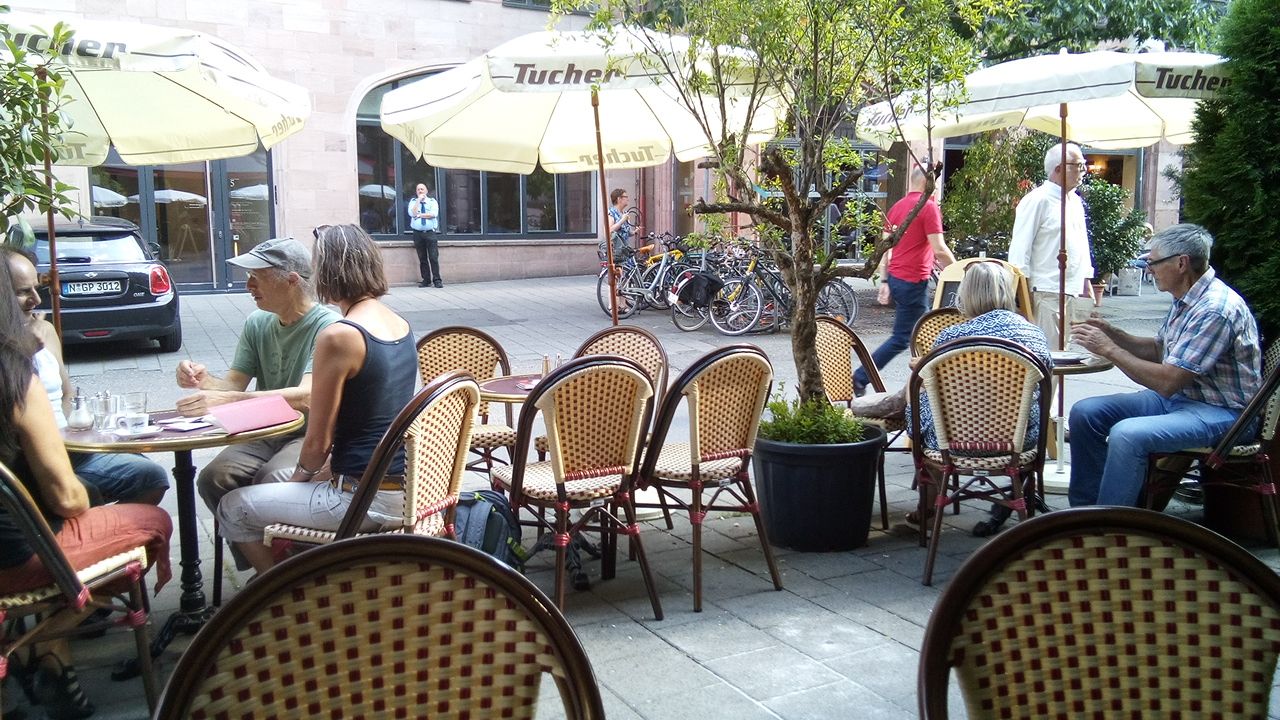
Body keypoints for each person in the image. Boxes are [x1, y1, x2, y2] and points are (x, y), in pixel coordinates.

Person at [0, 258, 171, 720]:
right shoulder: (14, 375)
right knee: (153, 522)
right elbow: (66, 498)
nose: (35, 299)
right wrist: (84, 497)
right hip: (15, 561)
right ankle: (43, 644)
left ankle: (45, 651)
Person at [216, 224, 416, 574]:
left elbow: (317, 444)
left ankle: (284, 592)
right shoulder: (400, 325)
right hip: (404, 485)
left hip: (359, 498)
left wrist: (299, 482)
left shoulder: (339, 335)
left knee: (233, 508)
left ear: (327, 271)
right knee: (271, 482)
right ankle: (312, 572)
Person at [849, 262, 1051, 534]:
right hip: (1019, 443)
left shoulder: (953, 336)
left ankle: (927, 509)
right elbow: (1044, 385)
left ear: (967, 294)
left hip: (954, 443)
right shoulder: (1033, 334)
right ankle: (1018, 498)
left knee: (922, 405)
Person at [1068, 223, 1261, 508]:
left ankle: (1112, 523)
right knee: (1086, 413)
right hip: (1182, 400)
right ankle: (1083, 512)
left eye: (1153, 262)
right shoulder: (1187, 297)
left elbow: (1167, 381)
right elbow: (1160, 350)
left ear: (1181, 263)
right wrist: (1113, 333)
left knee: (1128, 435)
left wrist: (1108, 349)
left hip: (1225, 413)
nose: (1149, 269)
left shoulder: (1215, 309)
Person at [175, 237, 338, 563]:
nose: (248, 285)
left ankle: (297, 562)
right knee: (212, 479)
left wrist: (231, 398)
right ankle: (263, 564)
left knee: (270, 479)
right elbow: (233, 383)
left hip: (309, 434)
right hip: (265, 431)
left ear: (292, 280)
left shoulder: (327, 326)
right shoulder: (257, 322)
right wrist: (203, 381)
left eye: (257, 277)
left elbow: (307, 396)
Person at [2, 247, 168, 506]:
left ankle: (108, 523)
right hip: (33, 456)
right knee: (147, 477)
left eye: (37, 288)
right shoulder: (9, 355)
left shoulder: (44, 330)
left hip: (71, 446)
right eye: (23, 291)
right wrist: (24, 352)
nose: (35, 299)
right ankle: (101, 525)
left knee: (148, 472)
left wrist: (83, 429)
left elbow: (67, 393)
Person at [853, 162, 957, 394]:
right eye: (935, 182)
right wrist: (961, 271)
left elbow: (886, 248)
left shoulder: (896, 208)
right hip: (913, 281)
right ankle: (862, 378)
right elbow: (939, 249)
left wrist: (884, 281)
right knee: (913, 336)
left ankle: (927, 386)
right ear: (928, 183)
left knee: (920, 334)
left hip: (897, 279)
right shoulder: (928, 207)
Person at [1007, 142, 1095, 350]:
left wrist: (1086, 283)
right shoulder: (1037, 200)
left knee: (1065, 354)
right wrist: (1023, 297)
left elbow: (1081, 245)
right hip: (1045, 291)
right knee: (1048, 354)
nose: (1083, 170)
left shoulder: (1075, 201)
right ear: (1059, 168)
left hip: (1072, 291)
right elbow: (1020, 251)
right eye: (1078, 165)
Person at [407, 182, 442, 288]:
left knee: (433, 257)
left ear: (426, 191)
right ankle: (426, 280)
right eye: (418, 189)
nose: (420, 191)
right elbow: (412, 213)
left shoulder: (432, 201)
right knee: (422, 258)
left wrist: (419, 215)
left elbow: (433, 214)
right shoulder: (413, 202)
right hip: (417, 234)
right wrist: (418, 200)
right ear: (416, 192)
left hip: (430, 233)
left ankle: (437, 280)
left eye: (422, 189)